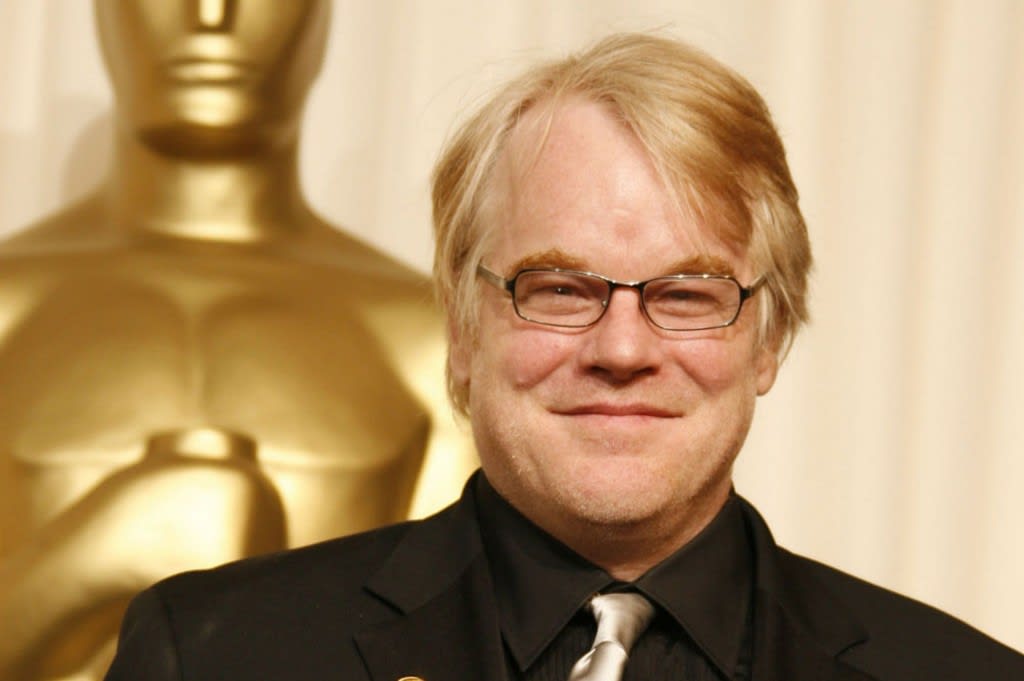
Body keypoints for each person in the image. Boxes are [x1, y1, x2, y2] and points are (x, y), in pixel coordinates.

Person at [104, 32, 1024, 680]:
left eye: (688, 293)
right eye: (558, 288)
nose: (621, 348)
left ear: (769, 337)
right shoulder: (217, 654)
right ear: (463, 327)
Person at [0, 2, 472, 679]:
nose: (212, 15)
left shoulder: (429, 339)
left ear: (321, 20)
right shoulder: (8, 306)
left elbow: (456, 645)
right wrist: (86, 562)